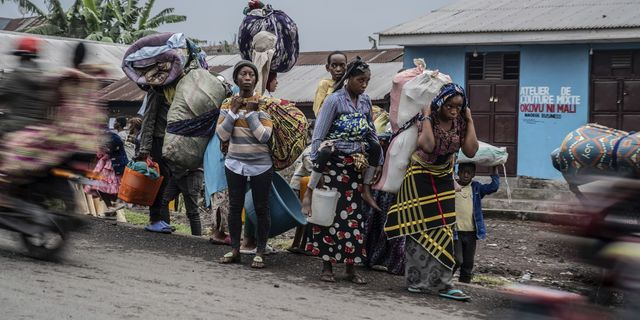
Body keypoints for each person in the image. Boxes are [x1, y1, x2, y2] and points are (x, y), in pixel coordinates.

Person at [384, 83, 479, 301]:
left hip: (444, 177)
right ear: (439, 103)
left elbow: (471, 150)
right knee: (417, 230)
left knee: (444, 229)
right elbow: (427, 145)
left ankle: (443, 284)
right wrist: (427, 116)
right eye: (449, 106)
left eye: (459, 106)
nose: (454, 111)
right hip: (419, 177)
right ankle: (416, 281)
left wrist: (470, 119)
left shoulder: (461, 122)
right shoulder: (426, 119)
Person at [305, 58, 383, 284]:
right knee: (329, 215)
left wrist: (376, 154)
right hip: (333, 166)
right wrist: (316, 164)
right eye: (361, 80)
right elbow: (319, 135)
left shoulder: (365, 102)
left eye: (367, 81)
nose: (364, 85)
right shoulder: (334, 101)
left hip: (355, 167)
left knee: (353, 219)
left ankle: (350, 268)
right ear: (349, 79)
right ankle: (327, 266)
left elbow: (370, 131)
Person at [217, 60, 273, 269]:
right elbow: (221, 134)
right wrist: (232, 112)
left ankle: (260, 251)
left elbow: (264, 136)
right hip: (234, 163)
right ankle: (235, 249)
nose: (247, 78)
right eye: (243, 74)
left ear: (256, 80)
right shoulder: (227, 104)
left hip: (261, 165)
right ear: (236, 79)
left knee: (261, 207)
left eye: (251, 75)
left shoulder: (264, 104)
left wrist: (250, 114)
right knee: (234, 207)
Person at [0, 36, 55, 137]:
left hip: (14, 127)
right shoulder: (44, 78)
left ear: (21, 56)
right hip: (38, 129)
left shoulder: (15, 76)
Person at [454, 163, 500, 284]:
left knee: (468, 263)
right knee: (457, 259)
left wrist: (494, 168)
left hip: (471, 233)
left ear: (473, 174)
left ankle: (464, 284)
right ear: (458, 173)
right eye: (463, 172)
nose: (465, 175)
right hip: (455, 232)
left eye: (469, 172)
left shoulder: (476, 188)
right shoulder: (452, 186)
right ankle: (445, 279)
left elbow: (493, 187)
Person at [158, 169, 205, 236]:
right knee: (163, 201)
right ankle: (165, 230)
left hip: (192, 173)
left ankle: (197, 239)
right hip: (177, 173)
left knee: (193, 212)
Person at [312, 51, 347, 117]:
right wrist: (334, 89)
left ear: (346, 67)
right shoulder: (324, 84)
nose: (338, 69)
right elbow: (318, 112)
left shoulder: (349, 85)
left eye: (342, 65)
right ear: (327, 68)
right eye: (334, 66)